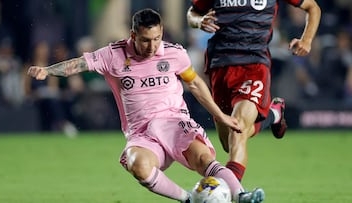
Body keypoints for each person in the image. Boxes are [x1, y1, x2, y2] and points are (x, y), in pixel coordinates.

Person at [27, 8, 265, 203]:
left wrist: (220, 116)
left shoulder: (174, 54)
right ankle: (189, 199)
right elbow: (78, 64)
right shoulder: (113, 55)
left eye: (157, 39)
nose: (152, 46)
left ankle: (241, 195)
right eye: (145, 40)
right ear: (133, 35)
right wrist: (47, 70)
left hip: (175, 124)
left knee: (204, 159)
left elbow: (196, 86)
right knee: (137, 164)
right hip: (142, 133)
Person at [187, 0, 321, 181]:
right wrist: (199, 21)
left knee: (238, 131)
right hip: (220, 66)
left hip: (254, 65)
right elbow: (192, 14)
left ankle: (229, 192)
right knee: (228, 143)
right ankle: (274, 114)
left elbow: (312, 7)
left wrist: (307, 39)